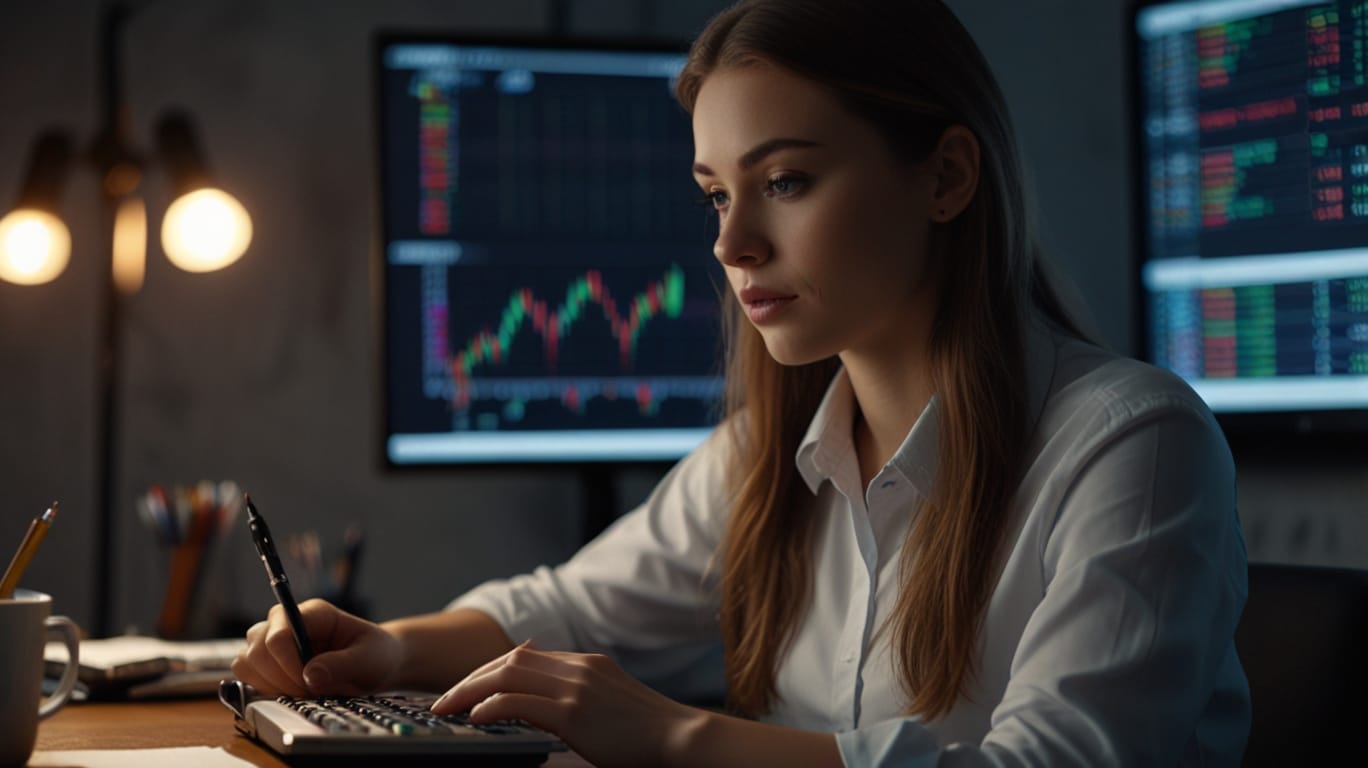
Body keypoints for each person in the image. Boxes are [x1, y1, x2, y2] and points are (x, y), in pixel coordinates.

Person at [232, 0, 1250, 764]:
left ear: (946, 176)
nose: (732, 244)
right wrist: (388, 650)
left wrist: (672, 736)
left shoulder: (1134, 447)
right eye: (717, 194)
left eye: (786, 182)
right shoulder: (767, 456)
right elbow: (569, 609)